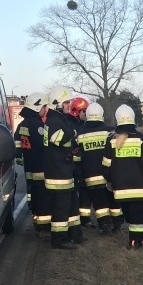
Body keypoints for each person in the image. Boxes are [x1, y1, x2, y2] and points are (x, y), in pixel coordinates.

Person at [102, 104, 143, 248]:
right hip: (139, 186)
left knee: (129, 214)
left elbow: (106, 165)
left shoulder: (111, 140)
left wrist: (110, 180)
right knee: (138, 216)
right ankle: (136, 241)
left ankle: (134, 238)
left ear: (117, 120)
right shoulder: (141, 138)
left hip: (120, 187)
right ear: (133, 118)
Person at [75, 102, 124, 235]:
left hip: (91, 177)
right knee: (113, 200)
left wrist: (80, 175)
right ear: (101, 115)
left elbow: (77, 158)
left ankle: (105, 226)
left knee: (99, 204)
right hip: (110, 175)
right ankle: (117, 223)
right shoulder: (110, 132)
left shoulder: (80, 135)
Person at [42, 87, 80, 250]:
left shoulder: (57, 119)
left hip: (63, 170)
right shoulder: (55, 121)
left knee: (71, 205)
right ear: (56, 103)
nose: (68, 105)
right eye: (65, 102)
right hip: (58, 174)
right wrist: (73, 134)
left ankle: (75, 234)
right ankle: (59, 239)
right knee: (61, 208)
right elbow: (58, 139)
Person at [16, 94, 51, 232]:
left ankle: (37, 221)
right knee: (43, 197)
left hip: (29, 167)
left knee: (35, 196)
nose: (45, 110)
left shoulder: (21, 124)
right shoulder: (37, 124)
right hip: (40, 167)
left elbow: (18, 145)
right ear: (37, 108)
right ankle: (44, 226)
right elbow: (44, 145)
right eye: (44, 107)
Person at [66, 97, 93, 228]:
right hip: (71, 165)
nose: (86, 115)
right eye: (84, 111)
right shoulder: (69, 124)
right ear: (76, 111)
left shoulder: (84, 125)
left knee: (84, 191)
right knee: (72, 192)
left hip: (82, 164)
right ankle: (74, 218)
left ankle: (85, 218)